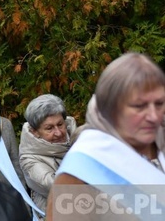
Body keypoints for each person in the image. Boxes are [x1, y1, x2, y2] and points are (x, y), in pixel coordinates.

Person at [47, 52, 165, 215]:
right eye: (139, 106)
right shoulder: (82, 168)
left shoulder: (158, 145)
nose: (153, 116)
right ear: (110, 108)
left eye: (159, 103)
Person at [19, 94, 76, 215]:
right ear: (35, 132)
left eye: (60, 124)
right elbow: (59, 186)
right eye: (49, 128)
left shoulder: (79, 137)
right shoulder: (29, 159)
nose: (58, 133)